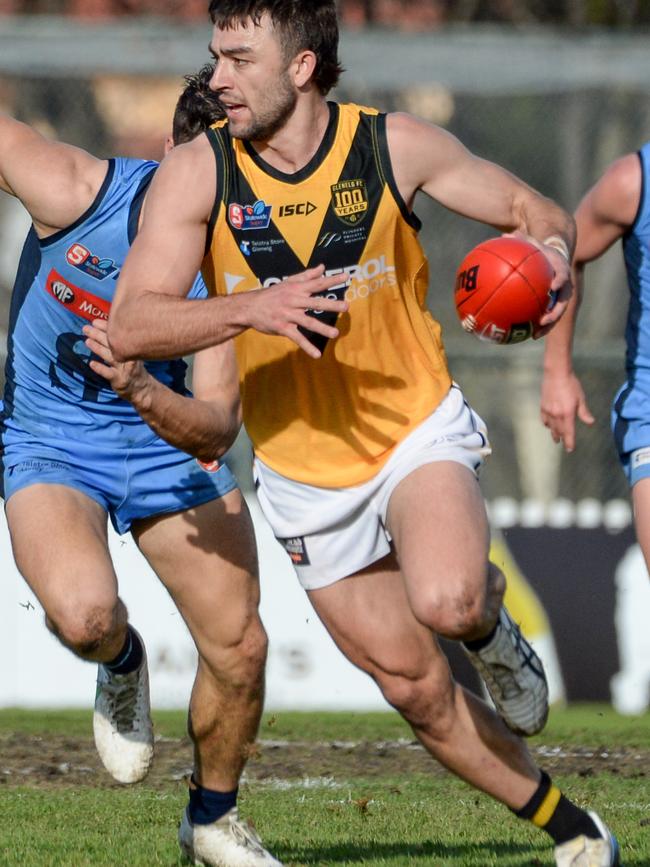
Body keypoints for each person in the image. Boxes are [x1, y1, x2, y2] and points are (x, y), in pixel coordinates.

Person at [107, 3, 620, 864]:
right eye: (214, 58)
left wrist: (553, 261)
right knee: (416, 689)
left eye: (238, 59)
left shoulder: (394, 146)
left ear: (303, 67)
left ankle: (492, 630)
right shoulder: (199, 174)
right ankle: (576, 831)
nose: (216, 79)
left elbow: (540, 215)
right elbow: (130, 323)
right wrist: (254, 306)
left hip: (415, 428)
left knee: (449, 599)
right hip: (305, 479)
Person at [0, 64, 298, 866]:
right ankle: (122, 663)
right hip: (51, 438)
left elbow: (215, 426)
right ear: (168, 152)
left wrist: (136, 384)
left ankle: (211, 815)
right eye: (192, 171)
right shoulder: (74, 192)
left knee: (241, 647)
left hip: (168, 442)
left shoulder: (237, 268)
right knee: (86, 617)